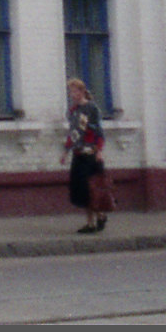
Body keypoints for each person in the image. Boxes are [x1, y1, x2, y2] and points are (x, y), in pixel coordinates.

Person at [64, 76, 112, 233]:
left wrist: (99, 150)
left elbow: (99, 131)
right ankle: (91, 223)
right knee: (82, 191)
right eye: (70, 91)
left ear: (81, 91)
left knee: (93, 188)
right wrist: (66, 152)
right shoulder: (72, 111)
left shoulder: (92, 109)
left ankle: (101, 215)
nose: (71, 94)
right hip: (78, 154)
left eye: (74, 91)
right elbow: (73, 134)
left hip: (91, 155)